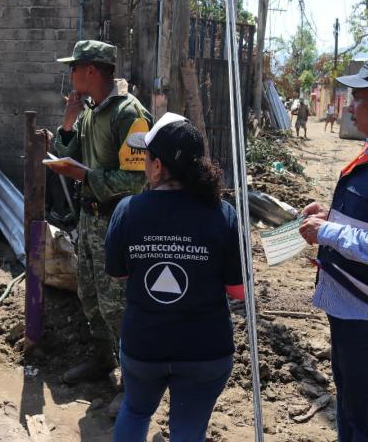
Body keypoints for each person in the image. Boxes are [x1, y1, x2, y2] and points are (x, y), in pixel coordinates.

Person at [105, 113, 244, 441]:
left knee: (136, 410)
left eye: (147, 157)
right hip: (206, 351)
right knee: (188, 430)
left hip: (144, 347)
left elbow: (118, 274)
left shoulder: (127, 210)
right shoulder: (223, 214)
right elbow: (238, 291)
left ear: (157, 166)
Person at [47, 40, 152, 384]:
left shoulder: (129, 114)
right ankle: (103, 361)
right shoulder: (90, 110)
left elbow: (137, 180)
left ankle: (133, 383)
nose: (70, 74)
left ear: (90, 70)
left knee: (118, 305)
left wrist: (85, 175)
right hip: (90, 218)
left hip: (117, 222)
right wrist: (68, 122)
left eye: (73, 67)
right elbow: (68, 149)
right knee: (90, 296)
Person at [299, 54, 368, 442]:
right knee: (352, 412)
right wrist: (330, 217)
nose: (350, 108)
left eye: (360, 99)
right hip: (353, 311)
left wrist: (329, 234)